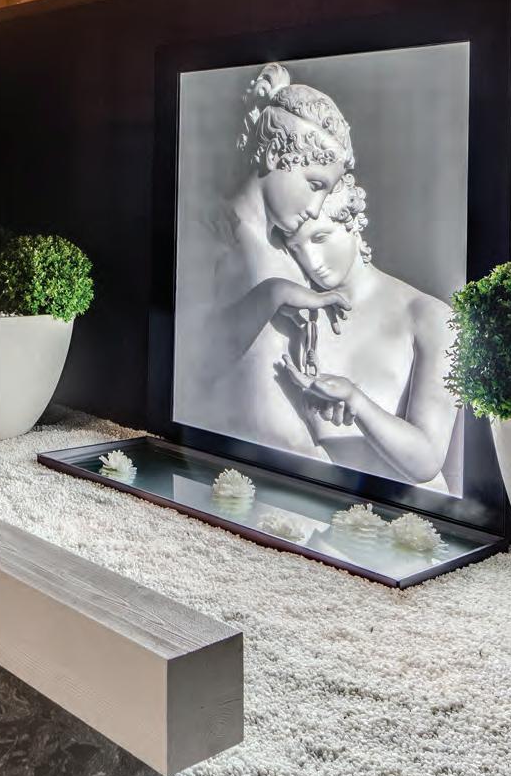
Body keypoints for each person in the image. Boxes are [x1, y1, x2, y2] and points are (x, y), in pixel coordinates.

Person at [176, 63, 356, 455]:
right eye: (314, 185)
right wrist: (275, 294)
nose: (315, 208)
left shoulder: (288, 254)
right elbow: (195, 362)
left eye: (325, 193)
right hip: (233, 453)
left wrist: (321, 391)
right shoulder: (212, 230)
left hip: (298, 453)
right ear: (275, 153)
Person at [274, 180, 458, 489]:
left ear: (353, 222)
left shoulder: (429, 316)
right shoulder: (297, 314)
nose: (312, 261)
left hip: (409, 509)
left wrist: (355, 401)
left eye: (320, 237)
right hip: (316, 501)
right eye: (296, 248)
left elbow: (426, 461)